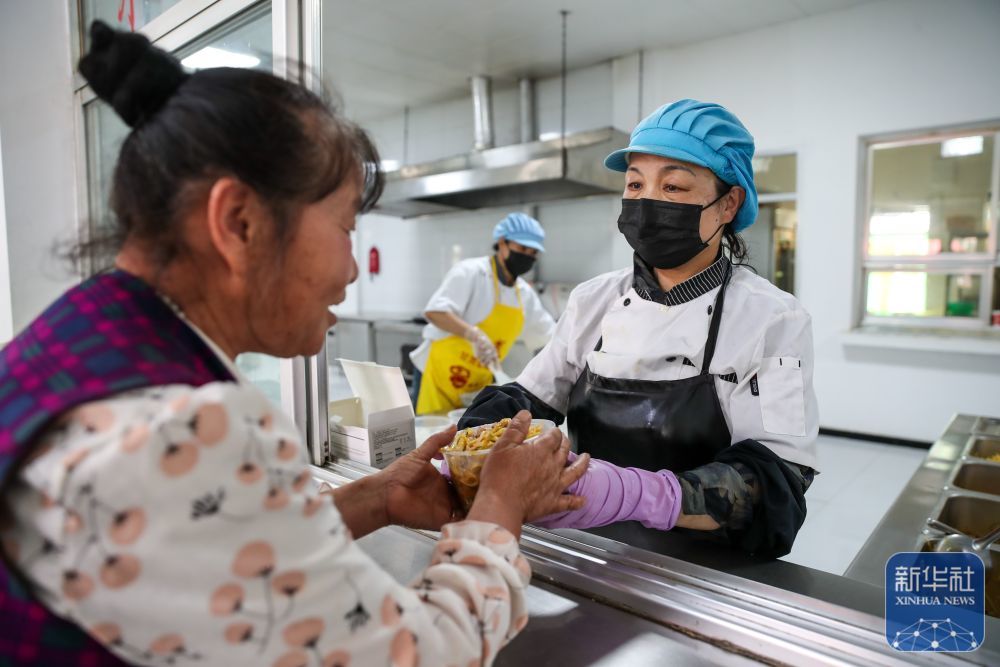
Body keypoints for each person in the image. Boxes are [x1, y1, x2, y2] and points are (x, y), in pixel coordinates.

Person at [0, 22, 588, 666]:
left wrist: (376, 497)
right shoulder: (182, 431)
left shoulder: (82, 333)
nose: (351, 270)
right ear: (239, 223)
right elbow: (416, 655)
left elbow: (209, 559)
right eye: (343, 228)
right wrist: (502, 501)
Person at [460, 99, 819, 558]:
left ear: (728, 204)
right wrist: (474, 444)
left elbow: (776, 484)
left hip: (705, 574)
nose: (646, 202)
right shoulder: (593, 301)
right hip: (586, 554)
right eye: (634, 183)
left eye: (672, 186)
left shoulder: (774, 320)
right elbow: (528, 398)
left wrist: (637, 496)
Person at [410, 214, 556, 414]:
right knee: (430, 435)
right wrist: (474, 335)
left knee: (470, 440)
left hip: (478, 384)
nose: (527, 256)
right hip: (438, 377)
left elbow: (551, 336)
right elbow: (436, 312)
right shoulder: (471, 272)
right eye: (522, 249)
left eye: (533, 252)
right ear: (502, 243)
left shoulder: (524, 294)